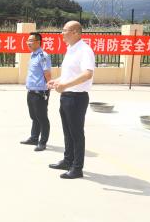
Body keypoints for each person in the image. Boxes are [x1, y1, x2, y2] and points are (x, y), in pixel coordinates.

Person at [48, 21, 95, 179]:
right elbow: (70, 74)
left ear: (75, 32)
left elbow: (87, 74)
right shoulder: (71, 49)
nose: (62, 33)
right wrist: (57, 81)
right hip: (67, 96)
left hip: (77, 98)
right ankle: (68, 161)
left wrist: (65, 85)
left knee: (76, 134)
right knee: (67, 132)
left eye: (65, 30)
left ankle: (77, 168)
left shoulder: (84, 50)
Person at [20, 32, 52, 152]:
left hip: (40, 92)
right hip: (31, 91)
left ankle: (42, 142)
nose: (28, 43)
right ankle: (34, 138)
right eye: (27, 40)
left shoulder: (43, 56)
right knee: (34, 116)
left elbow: (47, 73)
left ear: (38, 42)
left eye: (31, 40)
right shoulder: (33, 55)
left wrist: (48, 89)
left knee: (42, 118)